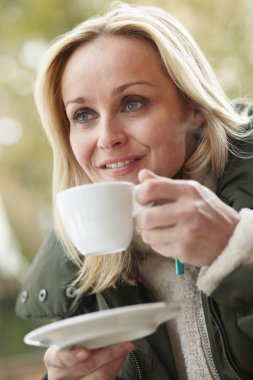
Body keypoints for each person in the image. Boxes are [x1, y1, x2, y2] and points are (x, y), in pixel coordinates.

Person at [15, 1, 253, 379]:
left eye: (132, 103)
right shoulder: (77, 274)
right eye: (83, 115)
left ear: (193, 107)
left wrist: (239, 250)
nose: (107, 138)